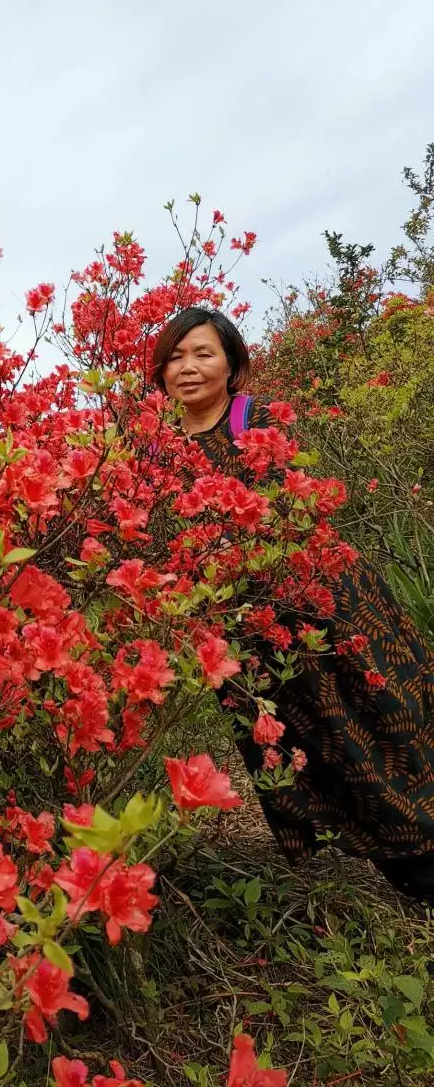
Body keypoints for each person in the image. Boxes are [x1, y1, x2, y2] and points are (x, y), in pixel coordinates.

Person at [151, 306, 434, 903]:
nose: (188, 368)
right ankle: (392, 864)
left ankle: (421, 856)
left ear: (232, 363)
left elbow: (303, 510)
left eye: (202, 353)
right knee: (311, 749)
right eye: (174, 357)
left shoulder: (255, 420)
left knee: (381, 721)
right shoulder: (159, 450)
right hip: (248, 635)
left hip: (327, 611)